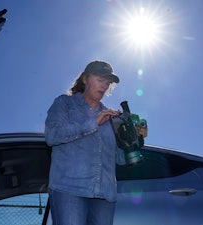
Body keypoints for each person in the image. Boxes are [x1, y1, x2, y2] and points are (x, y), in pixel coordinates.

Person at [45, 60, 147, 225]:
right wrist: (93, 122)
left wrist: (136, 139)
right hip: (70, 189)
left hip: (104, 195)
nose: (104, 86)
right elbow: (52, 136)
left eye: (108, 82)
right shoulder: (64, 103)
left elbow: (119, 159)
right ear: (85, 79)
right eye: (100, 80)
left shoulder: (112, 118)